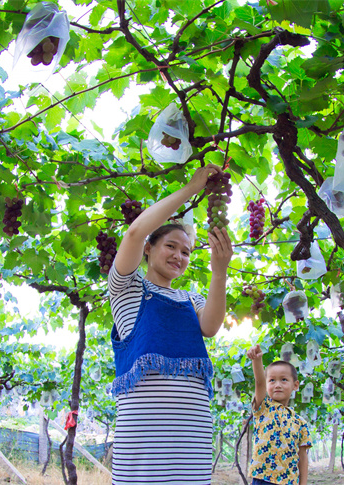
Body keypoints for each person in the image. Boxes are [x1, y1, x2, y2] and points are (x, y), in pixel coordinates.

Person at [108, 164, 233, 485]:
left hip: (191, 435)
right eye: (171, 246)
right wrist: (193, 188)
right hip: (143, 443)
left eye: (187, 252)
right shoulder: (127, 289)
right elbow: (134, 233)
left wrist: (220, 271)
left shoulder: (191, 299)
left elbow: (211, 327)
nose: (180, 255)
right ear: (149, 249)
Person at [246, 344, 312, 485]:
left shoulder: (300, 422)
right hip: (263, 478)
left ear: (295, 385)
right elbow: (259, 382)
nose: (277, 385)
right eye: (272, 380)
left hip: (289, 481)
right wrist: (257, 360)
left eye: (283, 380)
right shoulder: (263, 407)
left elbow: (303, 456)